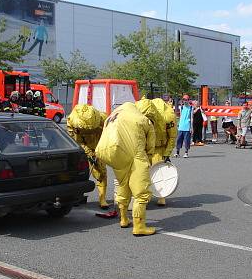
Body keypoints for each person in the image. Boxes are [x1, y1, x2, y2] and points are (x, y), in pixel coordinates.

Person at [96, 102, 156, 236]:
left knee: (123, 185)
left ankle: (123, 219)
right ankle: (139, 226)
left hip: (114, 154)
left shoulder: (112, 117)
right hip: (136, 155)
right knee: (141, 192)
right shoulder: (143, 119)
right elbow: (150, 146)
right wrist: (148, 160)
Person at [67, 104, 109, 209]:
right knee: (80, 173)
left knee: (101, 173)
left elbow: (107, 137)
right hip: (84, 149)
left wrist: (99, 152)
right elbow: (77, 141)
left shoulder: (104, 120)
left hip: (99, 148)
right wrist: (88, 153)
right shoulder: (73, 122)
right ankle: (76, 196)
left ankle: (102, 198)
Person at [138, 98, 177, 206]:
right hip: (144, 148)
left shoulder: (168, 116)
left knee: (158, 172)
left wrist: (167, 153)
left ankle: (161, 195)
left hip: (159, 148)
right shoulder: (140, 114)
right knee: (142, 173)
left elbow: (172, 136)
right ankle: (145, 196)